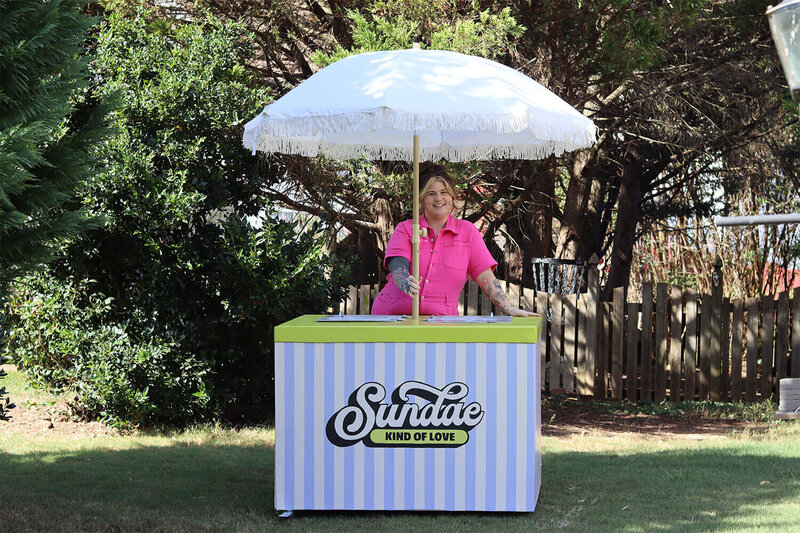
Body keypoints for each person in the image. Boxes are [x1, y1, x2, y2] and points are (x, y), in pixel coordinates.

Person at [371, 163, 535, 317]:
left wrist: (507, 307)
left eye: (444, 192)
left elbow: (485, 275)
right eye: (431, 194)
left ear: (452, 196)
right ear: (421, 198)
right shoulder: (406, 228)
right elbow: (397, 264)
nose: (438, 198)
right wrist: (403, 279)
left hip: (441, 321)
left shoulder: (468, 232)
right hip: (393, 316)